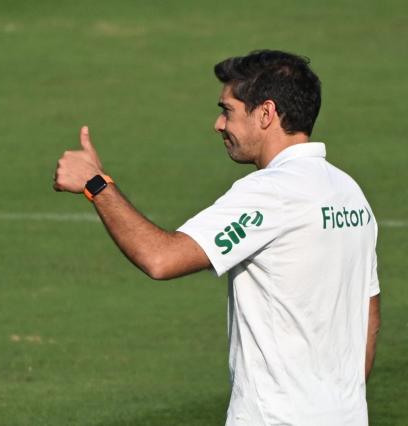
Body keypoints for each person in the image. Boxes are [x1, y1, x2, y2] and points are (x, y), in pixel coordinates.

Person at [53, 50, 380, 426]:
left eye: (228, 110)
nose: (218, 124)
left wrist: (96, 184)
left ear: (266, 113)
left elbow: (160, 258)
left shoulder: (270, 193)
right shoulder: (348, 192)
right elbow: (368, 313)